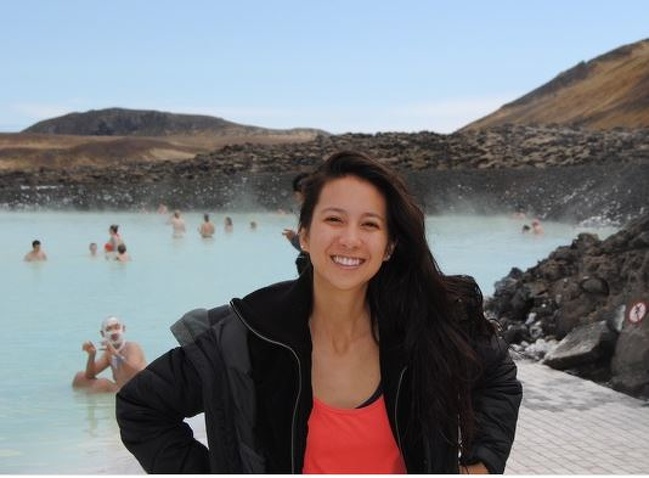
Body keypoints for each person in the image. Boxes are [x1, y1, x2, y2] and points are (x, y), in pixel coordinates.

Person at [116, 151, 522, 473]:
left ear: (389, 246)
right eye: (334, 219)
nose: (350, 239)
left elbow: (498, 378)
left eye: (370, 225)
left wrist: (480, 466)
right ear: (305, 236)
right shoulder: (247, 334)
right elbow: (142, 408)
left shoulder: (427, 323)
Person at [73, 316, 146, 393]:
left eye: (117, 327)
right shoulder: (108, 353)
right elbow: (89, 376)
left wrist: (116, 354)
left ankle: (90, 399)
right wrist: (92, 355)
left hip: (138, 390)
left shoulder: (132, 347)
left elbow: (135, 373)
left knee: (103, 383)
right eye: (109, 329)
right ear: (102, 334)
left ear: (123, 329)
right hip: (121, 390)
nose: (114, 332)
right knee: (79, 377)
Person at [282, 171, 311, 275]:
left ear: (297, 194)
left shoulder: (310, 213)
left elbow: (309, 247)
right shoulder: (320, 210)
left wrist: (293, 239)